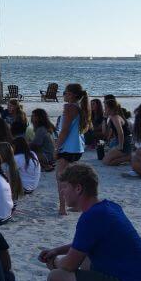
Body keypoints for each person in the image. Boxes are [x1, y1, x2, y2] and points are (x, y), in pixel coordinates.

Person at [54, 83, 90, 216]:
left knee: (61, 179)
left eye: (66, 92)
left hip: (68, 148)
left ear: (73, 95)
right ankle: (77, 205)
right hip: (77, 148)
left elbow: (64, 131)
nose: (64, 94)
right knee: (72, 179)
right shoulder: (80, 107)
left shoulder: (69, 107)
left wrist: (57, 147)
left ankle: (62, 208)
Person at [101, 97, 132, 167]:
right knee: (106, 161)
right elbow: (104, 132)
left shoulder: (115, 117)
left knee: (106, 162)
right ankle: (126, 156)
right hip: (118, 141)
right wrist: (104, 118)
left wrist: (120, 146)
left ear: (111, 108)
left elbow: (121, 132)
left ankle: (129, 157)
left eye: (105, 108)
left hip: (124, 142)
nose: (104, 110)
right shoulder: (111, 117)